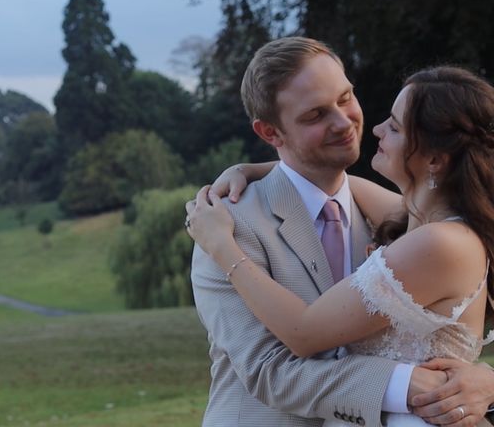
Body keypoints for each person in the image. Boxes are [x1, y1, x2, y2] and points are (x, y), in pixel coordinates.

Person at [186, 37, 494, 427]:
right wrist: (403, 385)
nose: (345, 121)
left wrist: (488, 380)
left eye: (346, 97)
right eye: (315, 115)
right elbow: (269, 372)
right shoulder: (227, 227)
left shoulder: (408, 225)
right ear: (270, 132)